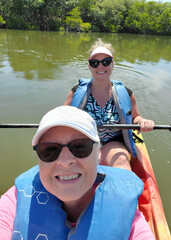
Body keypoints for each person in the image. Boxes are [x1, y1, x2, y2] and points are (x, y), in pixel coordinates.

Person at [0, 106, 155, 239]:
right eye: (49, 150)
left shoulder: (127, 217)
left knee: (121, 161)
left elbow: (135, 115)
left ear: (98, 155)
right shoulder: (13, 201)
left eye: (81, 147)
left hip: (114, 141)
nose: (65, 161)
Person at [64, 38, 154, 171]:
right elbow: (62, 116)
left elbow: (135, 118)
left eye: (106, 62)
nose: (100, 66)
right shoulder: (76, 92)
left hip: (113, 142)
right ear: (89, 66)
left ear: (112, 65)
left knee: (121, 162)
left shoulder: (127, 94)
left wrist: (143, 121)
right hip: (84, 141)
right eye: (95, 63)